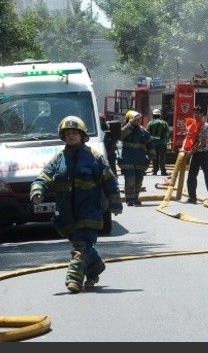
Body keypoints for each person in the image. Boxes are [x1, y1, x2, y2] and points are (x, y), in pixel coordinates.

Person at [29, 116, 122, 293]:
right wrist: (37, 190)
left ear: (82, 136)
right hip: (67, 215)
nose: (71, 136)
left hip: (89, 213)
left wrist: (115, 202)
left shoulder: (95, 157)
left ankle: (74, 279)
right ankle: (96, 267)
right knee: (84, 246)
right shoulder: (58, 159)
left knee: (80, 247)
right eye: (67, 134)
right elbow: (44, 177)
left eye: (74, 133)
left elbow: (109, 179)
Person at [184, 105, 208, 204]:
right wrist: (186, 149)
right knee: (191, 176)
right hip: (196, 153)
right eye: (195, 113)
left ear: (202, 114)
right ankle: (192, 198)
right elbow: (190, 139)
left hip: (204, 153)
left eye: (198, 113)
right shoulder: (194, 125)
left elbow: (202, 143)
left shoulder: (205, 126)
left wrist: (191, 152)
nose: (196, 115)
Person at [119, 110, 156, 206]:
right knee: (130, 180)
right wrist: (130, 125)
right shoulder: (125, 130)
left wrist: (152, 154)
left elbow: (150, 142)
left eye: (139, 119)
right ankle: (129, 199)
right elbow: (121, 135)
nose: (138, 121)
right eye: (136, 119)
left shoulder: (143, 131)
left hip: (140, 161)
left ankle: (135, 198)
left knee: (138, 181)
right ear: (130, 119)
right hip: (128, 160)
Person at [147, 108, 170, 176]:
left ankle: (155, 171)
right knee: (162, 158)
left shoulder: (150, 123)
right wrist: (166, 140)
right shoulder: (164, 123)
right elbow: (168, 132)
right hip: (162, 143)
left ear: (153, 115)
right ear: (159, 115)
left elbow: (147, 133)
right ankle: (163, 171)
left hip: (153, 143)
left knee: (155, 158)